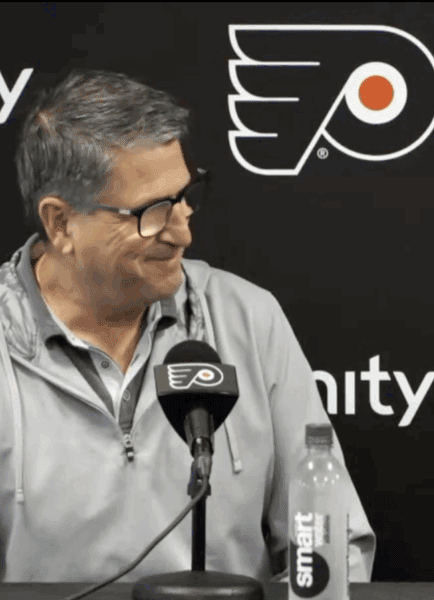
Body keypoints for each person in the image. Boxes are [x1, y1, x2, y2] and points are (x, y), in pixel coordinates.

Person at [0, 69, 376, 583]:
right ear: (61, 223)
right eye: (152, 211)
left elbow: (336, 547)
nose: (183, 230)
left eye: (183, 195)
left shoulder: (248, 319)